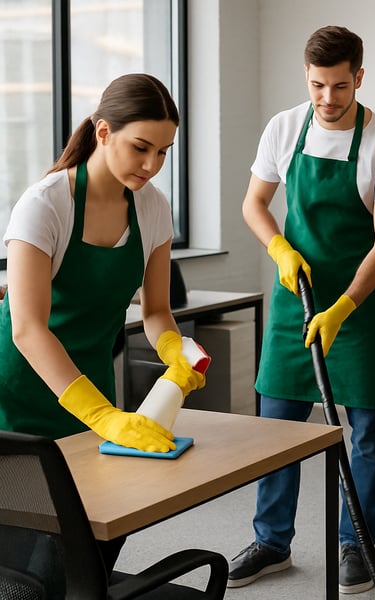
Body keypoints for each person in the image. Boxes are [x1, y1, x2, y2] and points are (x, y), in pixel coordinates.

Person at [230, 25, 375, 593]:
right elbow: (254, 203)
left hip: (359, 308)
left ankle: (356, 544)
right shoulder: (285, 128)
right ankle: (271, 542)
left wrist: (342, 308)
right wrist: (278, 248)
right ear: (306, 78)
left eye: (339, 86)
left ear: (359, 78)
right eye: (317, 85)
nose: (327, 98)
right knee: (276, 427)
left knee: (366, 434)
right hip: (296, 300)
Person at [0, 73, 206, 572]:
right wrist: (105, 417)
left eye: (163, 152)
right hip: (20, 392)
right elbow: (28, 328)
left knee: (86, 545)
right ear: (103, 132)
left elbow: (155, 311)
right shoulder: (45, 204)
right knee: (20, 554)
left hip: (89, 390)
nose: (152, 165)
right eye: (141, 148)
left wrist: (174, 352)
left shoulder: (152, 207)